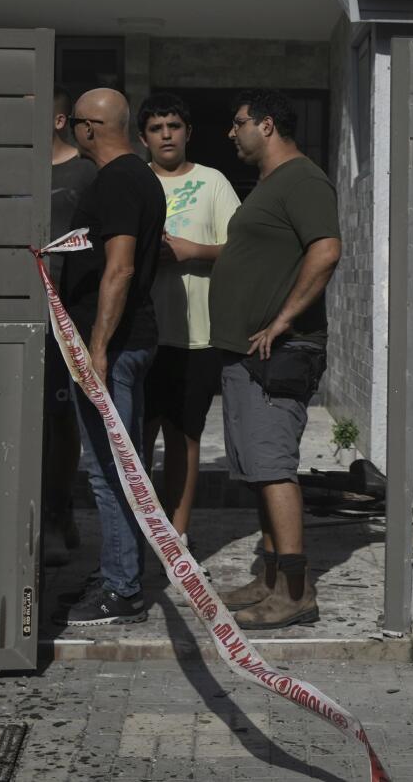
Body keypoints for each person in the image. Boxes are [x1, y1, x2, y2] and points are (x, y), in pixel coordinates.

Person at [209, 90, 341, 631]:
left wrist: (285, 318)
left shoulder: (304, 180)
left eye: (237, 123)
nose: (231, 132)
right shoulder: (270, 184)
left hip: (279, 350)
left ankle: (294, 591)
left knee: (273, 467)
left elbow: (326, 249)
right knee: (256, 470)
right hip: (247, 350)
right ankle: (268, 577)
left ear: (266, 125)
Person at [59, 88, 167, 626]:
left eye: (73, 122)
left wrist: (97, 348)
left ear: (90, 128)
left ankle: (122, 591)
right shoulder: (134, 177)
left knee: (111, 471)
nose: (69, 131)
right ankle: (116, 571)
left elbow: (120, 268)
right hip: (122, 345)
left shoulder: (121, 180)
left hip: (115, 348)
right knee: (118, 467)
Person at [136, 91, 242, 543]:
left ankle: (176, 539)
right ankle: (135, 533)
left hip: (196, 336)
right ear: (143, 137)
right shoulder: (132, 180)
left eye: (174, 126)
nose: (166, 135)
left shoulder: (214, 181)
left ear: (188, 133)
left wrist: (189, 251)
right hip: (138, 334)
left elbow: (240, 250)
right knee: (135, 440)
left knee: (184, 439)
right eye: (157, 128)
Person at [44, 88, 98, 555]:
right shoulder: (14, 172)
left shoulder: (86, 173)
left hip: (66, 319)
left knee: (61, 419)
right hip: (16, 314)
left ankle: (58, 518)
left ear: (59, 118)